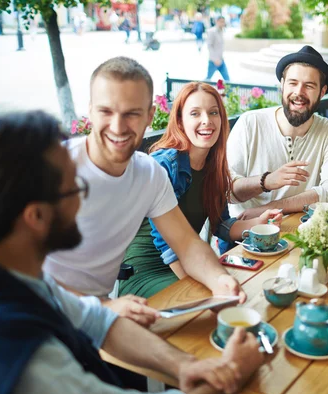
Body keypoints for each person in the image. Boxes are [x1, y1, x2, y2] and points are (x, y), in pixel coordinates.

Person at [0, 111, 265, 394]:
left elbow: (99, 322)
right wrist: (232, 371)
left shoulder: (21, 279)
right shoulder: (16, 350)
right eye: (74, 189)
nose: (82, 200)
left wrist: (185, 365)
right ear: (36, 216)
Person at [43, 57, 245, 327]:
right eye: (106, 111)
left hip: (96, 321)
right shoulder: (51, 170)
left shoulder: (149, 173)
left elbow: (186, 244)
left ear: (150, 116)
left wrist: (220, 281)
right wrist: (104, 307)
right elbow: (17, 272)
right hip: (41, 322)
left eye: (132, 113)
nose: (118, 126)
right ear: (90, 112)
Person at [119, 82, 282, 298]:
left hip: (189, 263)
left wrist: (257, 224)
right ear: (180, 121)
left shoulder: (214, 169)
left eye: (213, 112)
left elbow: (221, 225)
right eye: (195, 113)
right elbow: (167, 243)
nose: (206, 120)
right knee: (217, 304)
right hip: (145, 272)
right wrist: (197, 286)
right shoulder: (165, 164)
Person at [227, 45, 328, 219]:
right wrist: (267, 181)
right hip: (245, 231)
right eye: (293, 83)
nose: (299, 92)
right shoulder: (250, 123)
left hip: (301, 233)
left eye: (309, 86)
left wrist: (270, 208)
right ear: (282, 85)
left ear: (322, 92)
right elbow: (227, 190)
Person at [205, 16, 230, 81]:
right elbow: (209, 46)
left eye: (223, 22)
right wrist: (215, 59)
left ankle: (230, 91)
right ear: (217, 21)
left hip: (221, 59)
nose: (223, 23)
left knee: (227, 80)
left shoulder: (221, 31)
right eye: (221, 22)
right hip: (213, 61)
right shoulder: (212, 31)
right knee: (207, 79)